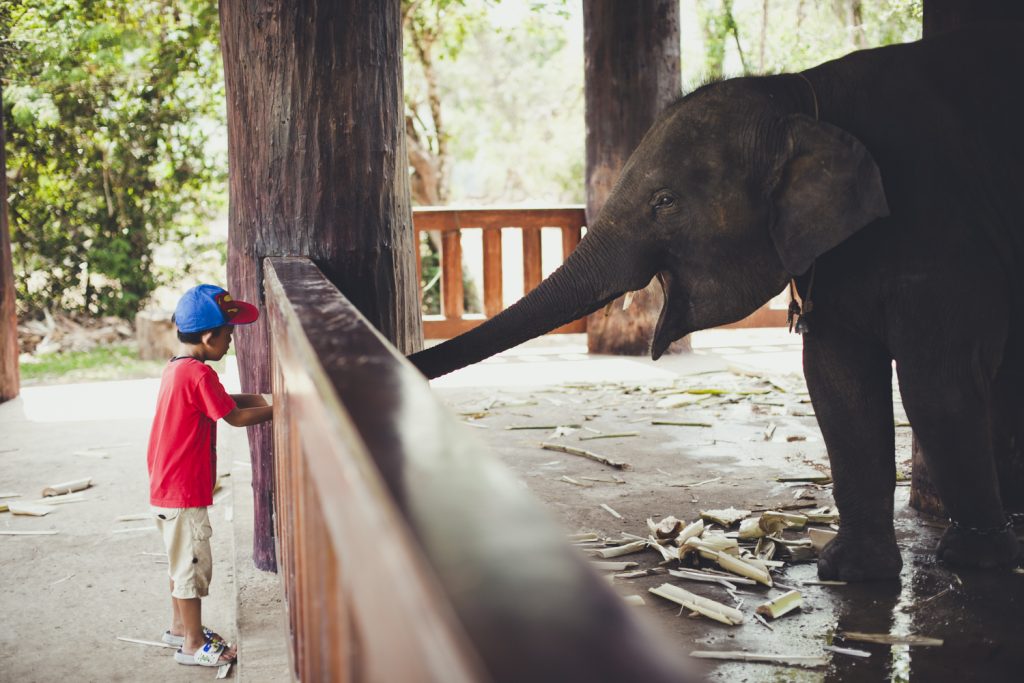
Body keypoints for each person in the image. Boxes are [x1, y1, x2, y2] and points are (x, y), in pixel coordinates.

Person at [147, 284, 273, 667]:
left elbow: (228, 400)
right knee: (191, 569)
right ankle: (192, 645)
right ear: (208, 336)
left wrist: (271, 398)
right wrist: (283, 410)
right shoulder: (200, 375)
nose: (231, 342)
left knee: (180, 563)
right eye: (229, 334)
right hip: (183, 492)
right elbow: (234, 417)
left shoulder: (179, 369)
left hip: (167, 487)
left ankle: (179, 629)